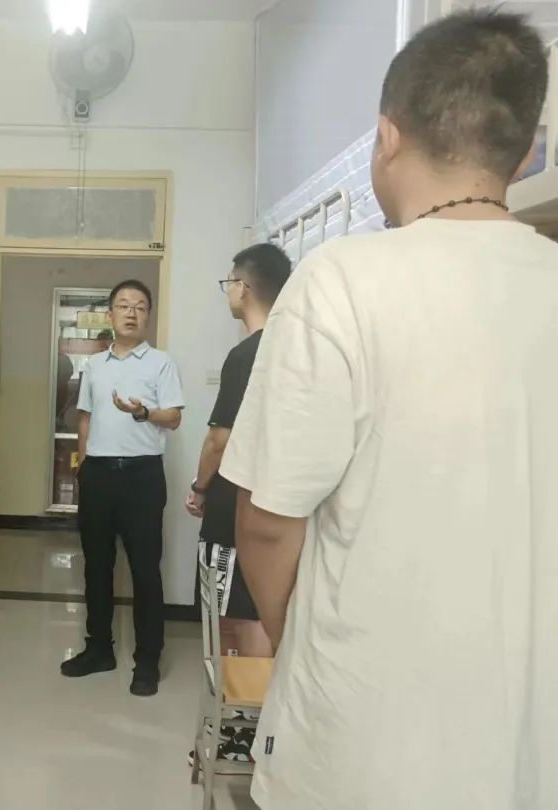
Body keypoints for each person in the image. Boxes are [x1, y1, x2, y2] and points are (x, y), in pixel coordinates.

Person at [220, 11, 558, 810]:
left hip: (360, 741)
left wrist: (300, 633)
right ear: (523, 149)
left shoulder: (339, 281)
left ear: (387, 137)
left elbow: (266, 523)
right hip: (529, 744)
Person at [184, 243, 290, 767]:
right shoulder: (294, 348)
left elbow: (219, 440)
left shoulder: (248, 354)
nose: (227, 290)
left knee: (234, 619)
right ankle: (254, 730)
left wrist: (200, 488)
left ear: (243, 287)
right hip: (280, 508)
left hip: (235, 510)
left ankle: (243, 734)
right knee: (258, 615)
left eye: (229, 281)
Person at [61, 279, 184, 697]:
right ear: (110, 314)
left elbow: (174, 418)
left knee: (145, 570)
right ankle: (99, 649)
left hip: (142, 476)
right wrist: (83, 467)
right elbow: (85, 418)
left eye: (140, 306)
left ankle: (147, 660)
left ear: (148, 315)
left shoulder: (162, 363)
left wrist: (144, 412)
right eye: (124, 305)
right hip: (98, 474)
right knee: (96, 566)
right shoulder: (95, 365)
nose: (132, 312)